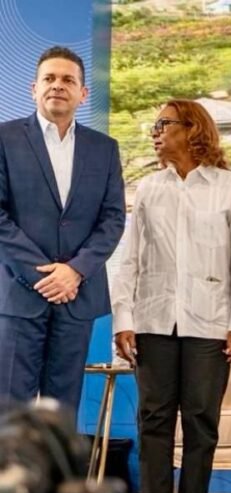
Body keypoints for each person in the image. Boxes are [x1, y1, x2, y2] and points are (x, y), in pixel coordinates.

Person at [112, 100, 231, 493]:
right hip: (153, 320)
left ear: (192, 129)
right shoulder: (150, 188)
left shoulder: (230, 187)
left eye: (163, 124)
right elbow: (129, 259)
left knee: (201, 422)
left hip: (211, 322)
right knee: (153, 420)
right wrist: (124, 318)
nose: (155, 132)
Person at [0, 46, 125, 413]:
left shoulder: (104, 148)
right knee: (12, 415)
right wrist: (44, 275)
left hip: (76, 296)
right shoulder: (4, 139)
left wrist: (74, 271)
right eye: (49, 78)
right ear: (33, 89)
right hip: (19, 295)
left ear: (82, 93)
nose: (58, 85)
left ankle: (57, 459)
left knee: (62, 412)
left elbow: (113, 218)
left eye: (68, 80)